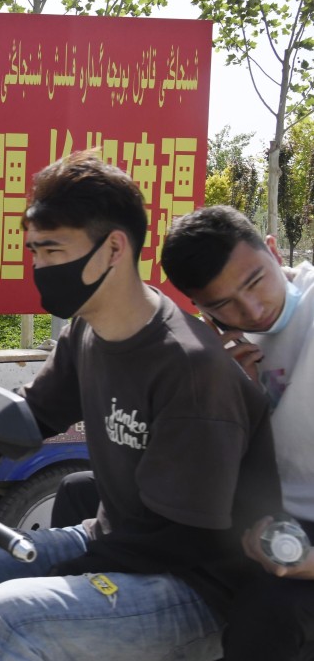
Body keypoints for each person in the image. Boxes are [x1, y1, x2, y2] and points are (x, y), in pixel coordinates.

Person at [0, 151, 281, 661]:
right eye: (34, 251)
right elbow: (36, 413)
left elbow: (188, 541)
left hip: (195, 590)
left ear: (113, 249)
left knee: (12, 614)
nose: (39, 267)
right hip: (117, 541)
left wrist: (60, 566)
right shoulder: (90, 329)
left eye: (53, 251)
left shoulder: (189, 370)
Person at [161, 204, 314, 661]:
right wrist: (229, 398)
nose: (251, 309)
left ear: (272, 249)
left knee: (268, 616)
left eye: (255, 282)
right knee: (84, 494)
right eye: (222, 303)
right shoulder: (224, 352)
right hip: (263, 520)